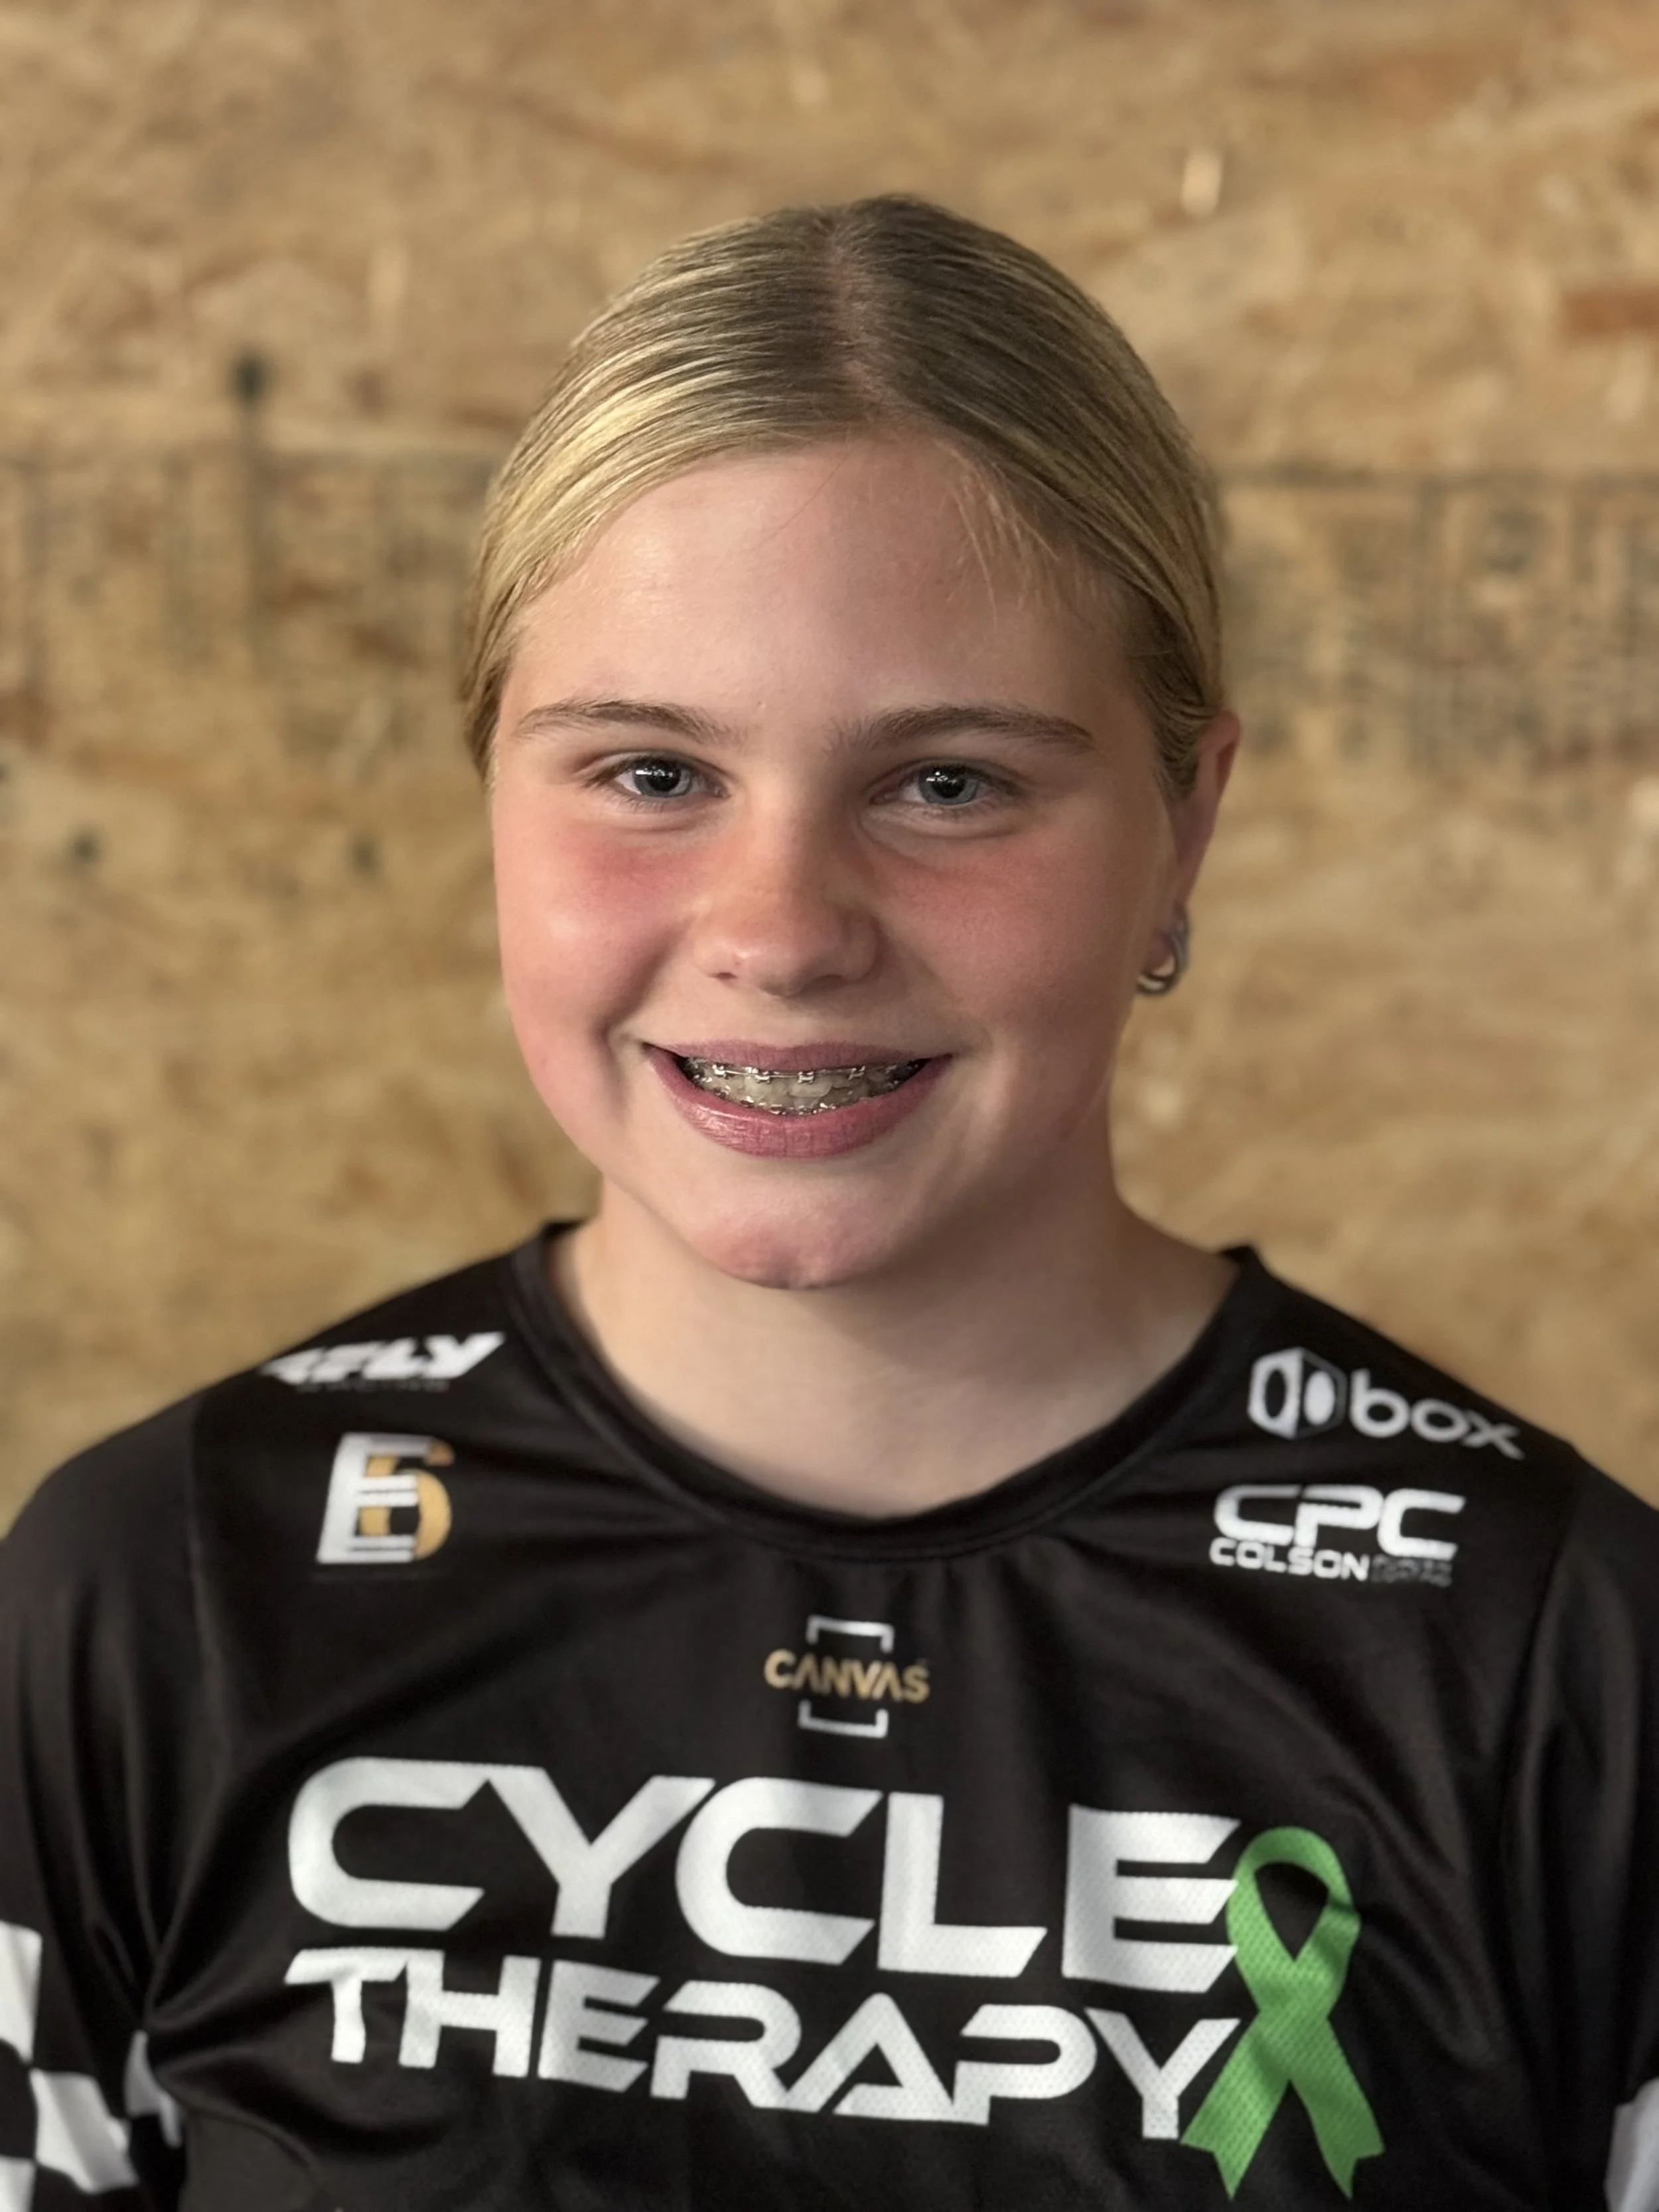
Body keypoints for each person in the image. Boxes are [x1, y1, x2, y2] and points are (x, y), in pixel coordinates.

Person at [1, 194, 1655, 2212]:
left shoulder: (1550, 1664)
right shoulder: (172, 1594)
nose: (781, 931)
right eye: (649, 773)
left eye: (947, 783)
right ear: (492, 788)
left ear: (1182, 824)